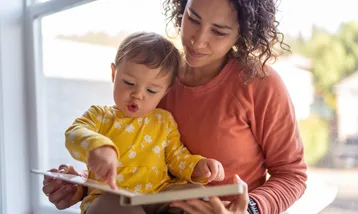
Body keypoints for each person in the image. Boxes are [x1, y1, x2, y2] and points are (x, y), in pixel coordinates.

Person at [42, 0, 308, 213]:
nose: (197, 39)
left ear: (242, 32)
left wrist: (249, 209)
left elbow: (292, 175)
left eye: (218, 31)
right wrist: (80, 185)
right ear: (181, 8)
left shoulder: (259, 84)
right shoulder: (154, 80)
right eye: (192, 18)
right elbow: (133, 158)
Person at [62, 31, 225, 214]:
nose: (138, 94)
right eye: (129, 82)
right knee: (112, 203)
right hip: (112, 196)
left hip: (158, 195)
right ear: (114, 74)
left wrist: (198, 167)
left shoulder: (164, 121)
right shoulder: (99, 116)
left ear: (165, 92)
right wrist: (98, 147)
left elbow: (176, 157)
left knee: (196, 193)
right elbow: (73, 133)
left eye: (151, 90)